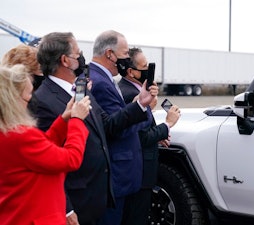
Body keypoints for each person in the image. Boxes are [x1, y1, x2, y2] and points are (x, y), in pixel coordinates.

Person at [28, 32, 157, 225]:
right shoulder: (42, 101)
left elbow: (108, 124)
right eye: (78, 53)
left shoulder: (81, 90)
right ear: (65, 60)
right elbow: (45, 162)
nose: (82, 59)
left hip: (98, 197)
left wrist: (140, 104)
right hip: (77, 203)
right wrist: (66, 208)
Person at [0, 64, 91, 225]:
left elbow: (42, 151)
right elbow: (71, 159)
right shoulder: (20, 135)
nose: (30, 101)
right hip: (36, 216)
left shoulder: (8, 132)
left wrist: (64, 120)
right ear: (12, 100)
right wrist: (77, 121)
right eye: (28, 97)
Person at [89, 30, 161, 225]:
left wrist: (140, 104)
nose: (127, 59)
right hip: (117, 174)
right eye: (125, 53)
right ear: (110, 54)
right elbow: (116, 126)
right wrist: (142, 107)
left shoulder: (104, 78)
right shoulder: (100, 82)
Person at [119, 47, 181, 225]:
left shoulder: (133, 90)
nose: (149, 71)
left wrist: (158, 135)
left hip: (139, 171)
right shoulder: (131, 95)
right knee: (136, 217)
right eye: (145, 67)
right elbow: (140, 136)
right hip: (139, 172)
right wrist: (167, 124)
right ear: (131, 72)